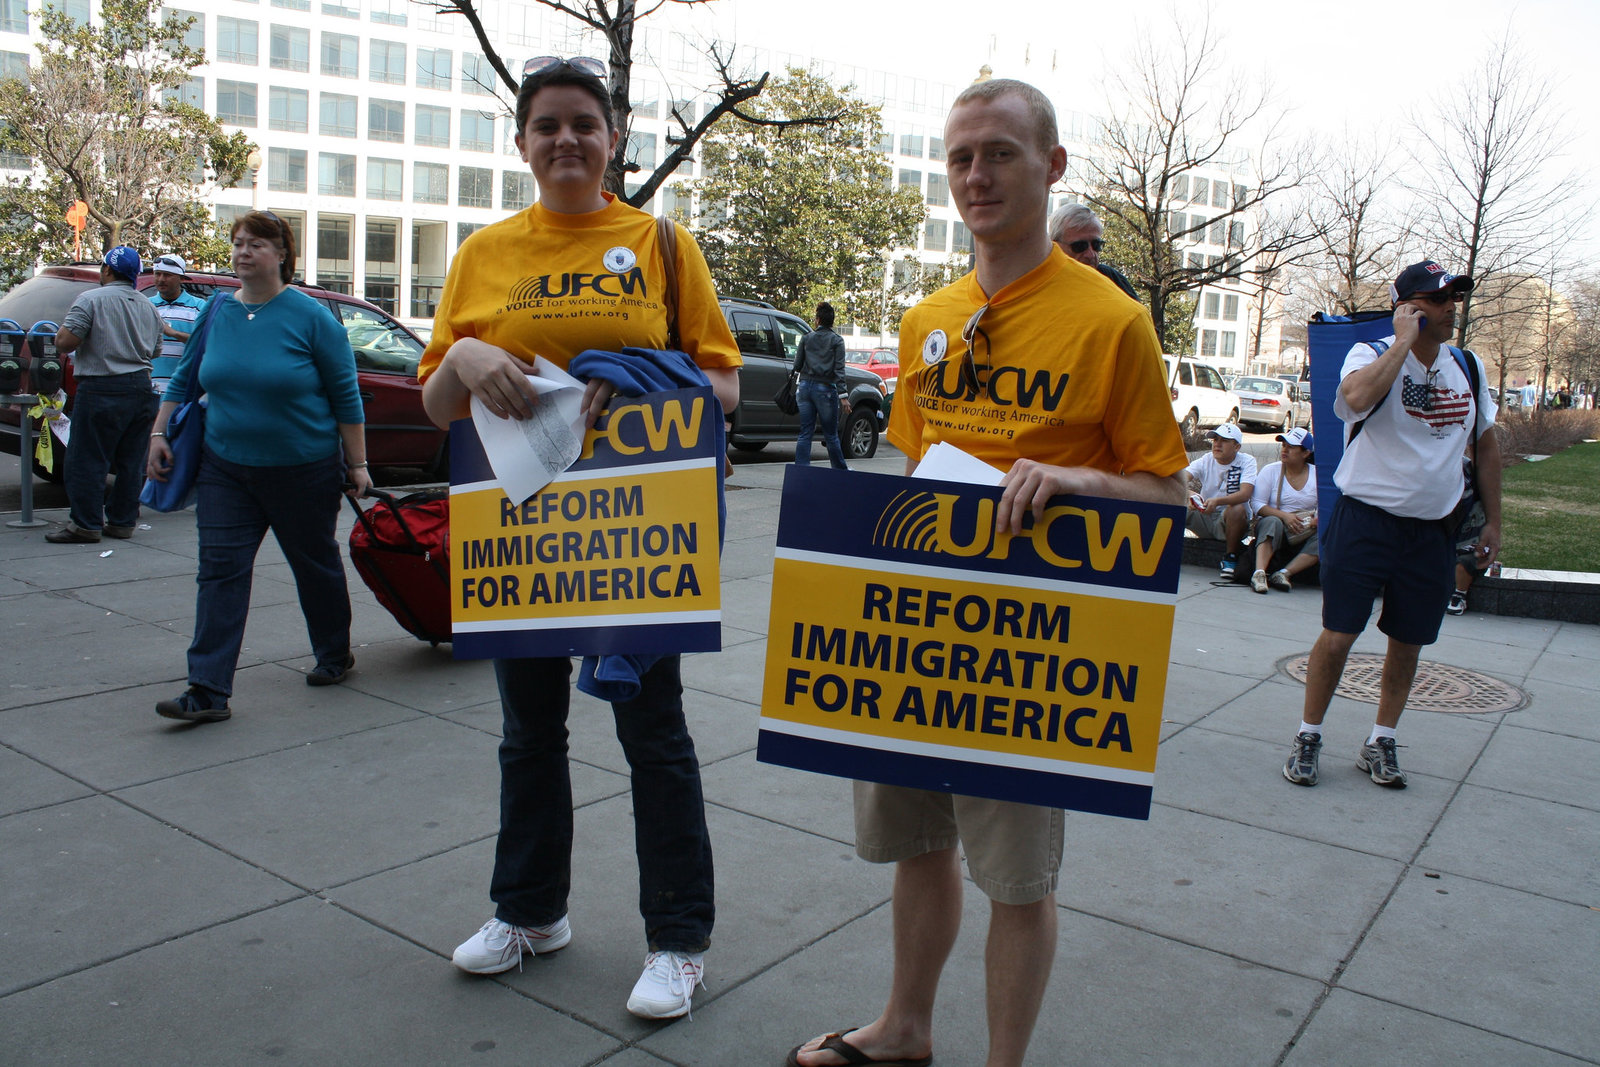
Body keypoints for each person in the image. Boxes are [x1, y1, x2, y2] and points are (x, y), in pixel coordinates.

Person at [789, 78, 1187, 1067]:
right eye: (961, 155)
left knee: (1016, 874)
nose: (976, 174)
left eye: (1000, 152)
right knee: (917, 843)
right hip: (920, 629)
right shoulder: (928, 320)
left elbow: (1168, 498)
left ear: (1050, 166)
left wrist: (1078, 479)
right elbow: (922, 470)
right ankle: (905, 1027)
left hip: (1033, 647)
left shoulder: (1110, 323)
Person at [416, 55, 741, 1021]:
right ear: (521, 143)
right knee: (528, 733)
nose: (566, 139)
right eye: (547, 124)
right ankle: (530, 912)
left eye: (583, 124)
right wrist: (469, 354)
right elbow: (439, 402)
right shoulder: (484, 254)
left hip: (636, 534)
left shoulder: (661, 245)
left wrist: (650, 378)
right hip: (518, 530)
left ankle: (678, 940)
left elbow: (722, 386)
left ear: (614, 140)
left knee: (656, 737)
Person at [1283, 260, 1500, 790]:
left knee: (1409, 641)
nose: (1451, 308)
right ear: (1409, 307)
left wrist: (1494, 518)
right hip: (1367, 521)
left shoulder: (1467, 367)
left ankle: (1381, 739)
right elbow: (1354, 401)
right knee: (1339, 635)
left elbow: (1486, 441)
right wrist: (1403, 341)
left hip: (1431, 530)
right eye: (1438, 299)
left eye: (1454, 298)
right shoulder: (1372, 354)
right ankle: (1309, 734)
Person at [146, 211, 370, 724]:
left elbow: (346, 397)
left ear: (282, 255)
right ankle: (206, 690)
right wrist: (160, 433)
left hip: (303, 469)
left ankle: (334, 652)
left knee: (314, 566)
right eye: (238, 243)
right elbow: (185, 380)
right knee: (219, 572)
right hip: (225, 468)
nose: (244, 252)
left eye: (257, 245)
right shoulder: (217, 311)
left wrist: (358, 464)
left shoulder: (311, 316)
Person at [45, 246, 163, 544]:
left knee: (87, 458)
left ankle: (85, 524)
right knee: (131, 462)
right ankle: (122, 522)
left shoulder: (90, 300)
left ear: (107, 271)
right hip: (140, 388)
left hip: (101, 388)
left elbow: (65, 341)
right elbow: (156, 349)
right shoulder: (148, 306)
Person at [1248, 427, 1318, 593]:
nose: (1285, 449)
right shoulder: (1270, 470)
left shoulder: (1318, 475)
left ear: (1306, 453)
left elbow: (1326, 504)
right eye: (1284, 445)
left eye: (1291, 447)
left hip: (1305, 529)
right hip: (1275, 525)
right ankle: (1259, 574)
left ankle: (1284, 574)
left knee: (1326, 533)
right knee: (1272, 522)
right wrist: (1285, 517)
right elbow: (1257, 504)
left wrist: (1317, 518)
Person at [1183, 422, 1256, 579]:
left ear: (1236, 447)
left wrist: (1217, 501)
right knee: (1174, 500)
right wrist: (1190, 494)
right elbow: (1178, 480)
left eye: (1224, 440)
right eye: (1215, 440)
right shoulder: (1206, 459)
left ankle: (1230, 559)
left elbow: (1245, 494)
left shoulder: (1247, 461)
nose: (1217, 444)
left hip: (1229, 522)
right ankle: (1166, 551)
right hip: (1204, 516)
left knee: (1237, 509)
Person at [793, 300, 851, 469]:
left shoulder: (806, 338)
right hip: (825, 389)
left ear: (817, 320)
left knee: (805, 432)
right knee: (831, 434)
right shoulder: (837, 341)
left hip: (804, 388)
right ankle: (840, 471)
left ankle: (801, 470)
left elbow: (797, 366)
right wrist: (843, 396)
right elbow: (839, 369)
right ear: (831, 321)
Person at [1048, 201, 1139, 300]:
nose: (1091, 255)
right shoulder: (1041, 284)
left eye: (1096, 245)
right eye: (1080, 246)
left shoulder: (1113, 279)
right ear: (1055, 244)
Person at [147, 253, 206, 386]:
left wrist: (174, 333)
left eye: (167, 275)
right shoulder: (146, 306)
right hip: (150, 388)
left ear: (181, 278)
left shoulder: (199, 307)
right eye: (157, 274)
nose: (161, 279)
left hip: (184, 388)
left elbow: (206, 343)